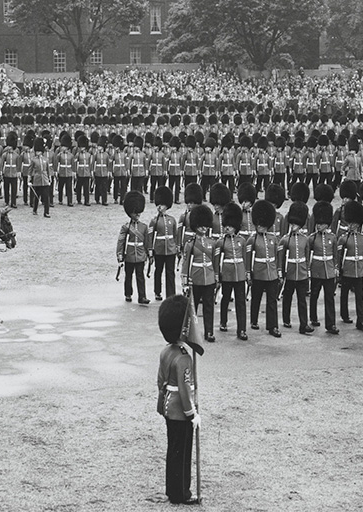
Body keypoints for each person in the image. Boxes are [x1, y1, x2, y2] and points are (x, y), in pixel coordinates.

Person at [157, 294, 200, 506]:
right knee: (182, 453)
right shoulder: (183, 357)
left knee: (173, 451)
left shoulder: (166, 352)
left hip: (167, 407)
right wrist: (192, 414)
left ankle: (172, 489)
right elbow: (184, 390)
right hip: (180, 411)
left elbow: (160, 382)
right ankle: (182, 492)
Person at [181, 204, 218, 341]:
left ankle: (209, 332)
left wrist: (215, 277)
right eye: (201, 225)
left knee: (209, 307)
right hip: (195, 278)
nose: (204, 228)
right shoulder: (190, 244)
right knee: (193, 308)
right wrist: (185, 280)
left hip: (208, 278)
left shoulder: (212, 242)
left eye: (205, 225)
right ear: (196, 225)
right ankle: (191, 332)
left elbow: (214, 261)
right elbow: (186, 263)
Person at [245, 199, 281, 337]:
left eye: (262, 224)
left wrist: (278, 271)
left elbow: (276, 257)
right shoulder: (252, 239)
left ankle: (273, 326)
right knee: (256, 298)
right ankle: (254, 320)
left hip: (271, 273)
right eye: (258, 224)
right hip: (258, 273)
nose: (260, 226)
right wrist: (248, 272)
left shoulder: (273, 238)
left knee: (272, 301)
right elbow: (248, 258)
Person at [279, 201, 313, 334]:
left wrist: (307, 272)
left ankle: (303, 324)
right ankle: (286, 319)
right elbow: (281, 259)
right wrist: (281, 273)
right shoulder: (285, 240)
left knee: (302, 300)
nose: (293, 226)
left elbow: (306, 256)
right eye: (292, 224)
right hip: (290, 272)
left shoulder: (305, 239)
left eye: (295, 224)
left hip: (302, 273)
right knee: (287, 297)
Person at [337, 200, 363, 330]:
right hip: (347, 269)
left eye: (354, 224)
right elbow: (340, 256)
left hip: (359, 270)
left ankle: (360, 319)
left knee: (359, 297)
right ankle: (344, 315)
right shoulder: (343, 238)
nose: (352, 226)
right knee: (344, 294)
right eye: (350, 223)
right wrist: (338, 270)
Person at [216, 202, 247, 340]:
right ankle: (223, 322)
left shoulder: (242, 240)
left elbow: (245, 259)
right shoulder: (221, 242)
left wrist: (247, 273)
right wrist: (217, 275)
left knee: (241, 302)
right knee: (226, 298)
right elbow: (217, 260)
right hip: (227, 274)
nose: (227, 227)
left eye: (230, 225)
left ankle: (242, 329)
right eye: (226, 225)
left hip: (239, 274)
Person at [308, 200, 340, 334]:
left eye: (321, 224)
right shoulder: (312, 238)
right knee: (314, 294)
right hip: (316, 269)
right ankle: (313, 317)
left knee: (329, 297)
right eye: (318, 223)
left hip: (329, 270)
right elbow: (308, 254)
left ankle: (330, 323)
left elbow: (335, 254)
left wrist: (336, 268)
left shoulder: (332, 237)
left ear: (326, 224)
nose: (318, 226)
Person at [117, 191, 150, 304]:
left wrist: (148, 254)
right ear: (131, 213)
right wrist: (120, 255)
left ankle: (142, 296)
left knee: (140, 277)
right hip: (130, 255)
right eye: (135, 213)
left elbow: (147, 242)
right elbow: (121, 241)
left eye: (138, 213)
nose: (137, 215)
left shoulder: (144, 227)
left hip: (140, 255)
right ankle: (128, 294)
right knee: (129, 276)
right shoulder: (126, 227)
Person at [149, 186, 178, 301]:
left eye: (161, 205)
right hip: (159, 249)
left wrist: (176, 247)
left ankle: (171, 294)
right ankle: (157, 292)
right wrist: (150, 250)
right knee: (158, 271)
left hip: (170, 249)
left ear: (166, 206)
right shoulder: (154, 220)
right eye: (158, 205)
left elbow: (175, 236)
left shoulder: (172, 219)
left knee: (170, 273)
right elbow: (150, 236)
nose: (159, 207)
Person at [28, 137, 52, 217]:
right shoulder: (33, 160)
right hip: (37, 179)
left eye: (39, 151)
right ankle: (35, 209)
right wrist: (29, 180)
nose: (38, 152)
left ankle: (46, 212)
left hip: (44, 179)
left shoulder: (46, 159)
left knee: (46, 197)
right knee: (36, 196)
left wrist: (49, 178)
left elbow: (48, 170)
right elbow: (30, 170)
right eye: (37, 151)